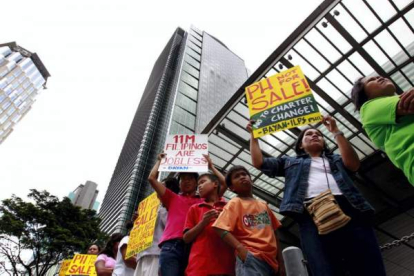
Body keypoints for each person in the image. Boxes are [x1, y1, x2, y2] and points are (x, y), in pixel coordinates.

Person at [248, 116, 386, 276]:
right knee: (323, 267)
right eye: (308, 134)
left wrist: (336, 131)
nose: (314, 135)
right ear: (300, 144)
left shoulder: (335, 158)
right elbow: (259, 162)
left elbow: (353, 164)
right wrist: (254, 136)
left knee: (368, 265)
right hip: (310, 215)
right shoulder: (289, 162)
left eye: (318, 134)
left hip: (349, 209)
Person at [148, 153, 227, 276]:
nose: (186, 181)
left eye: (190, 178)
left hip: (194, 247)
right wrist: (159, 161)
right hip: (171, 247)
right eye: (183, 179)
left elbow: (224, 182)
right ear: (179, 184)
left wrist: (211, 167)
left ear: (197, 183)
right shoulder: (171, 197)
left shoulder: (203, 200)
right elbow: (152, 178)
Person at [212, 165, 285, 276]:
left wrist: (281, 262)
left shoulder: (264, 205)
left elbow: (275, 233)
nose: (242, 177)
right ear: (231, 187)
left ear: (251, 180)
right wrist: (240, 249)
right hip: (251, 259)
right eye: (237, 176)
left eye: (244, 174)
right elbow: (219, 228)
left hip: (271, 262)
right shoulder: (234, 203)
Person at [351, 76, 414, 185]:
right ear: (363, 95)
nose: (380, 78)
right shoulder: (367, 108)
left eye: (379, 76)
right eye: (371, 80)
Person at [183, 157, 235, 276]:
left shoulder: (229, 206)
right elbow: (186, 238)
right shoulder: (195, 208)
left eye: (202, 182)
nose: (199, 187)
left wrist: (211, 167)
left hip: (227, 267)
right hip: (199, 268)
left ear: (215, 184)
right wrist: (203, 223)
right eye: (198, 185)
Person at [134, 178, 177, 276]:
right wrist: (137, 221)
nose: (156, 189)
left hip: (156, 254)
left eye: (161, 186)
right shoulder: (152, 207)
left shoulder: (169, 208)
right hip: (142, 254)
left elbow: (170, 227)